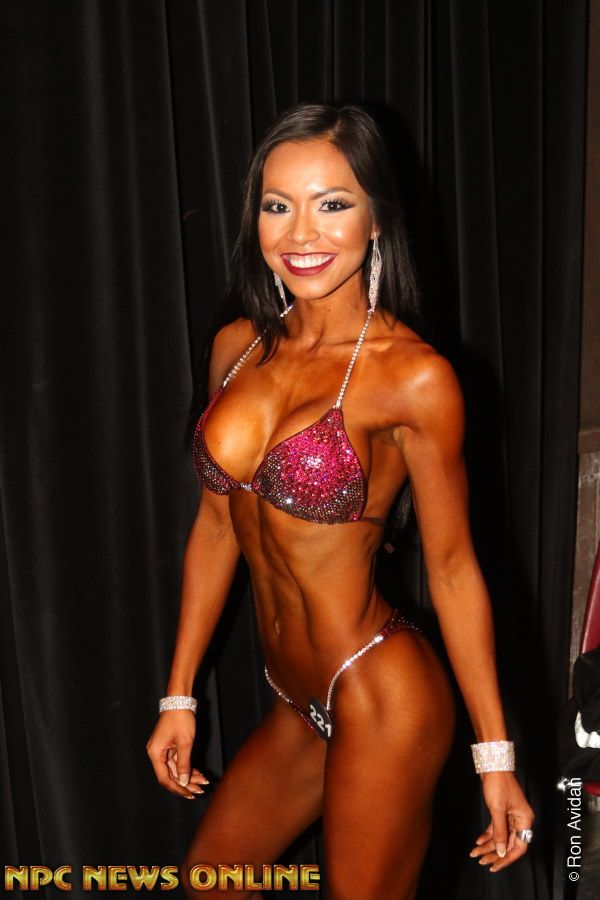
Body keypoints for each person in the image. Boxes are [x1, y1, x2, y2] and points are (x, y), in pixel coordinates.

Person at [146, 102, 535, 899]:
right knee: (211, 884)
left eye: (332, 204)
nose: (300, 234)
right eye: (277, 205)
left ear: (377, 218)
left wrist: (495, 757)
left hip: (383, 693)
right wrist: (179, 694)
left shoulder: (413, 378)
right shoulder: (236, 347)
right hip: (299, 700)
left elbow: (454, 568)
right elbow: (216, 527)